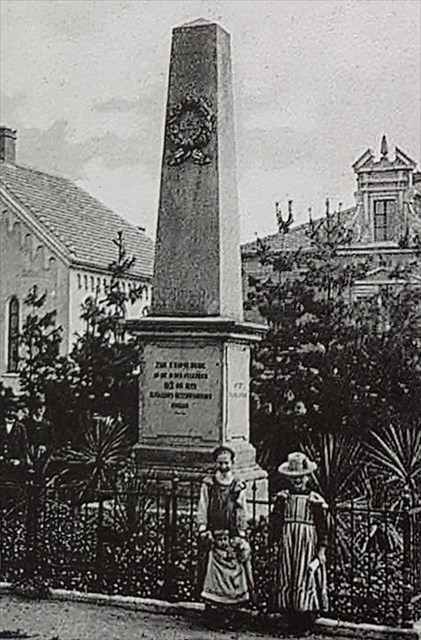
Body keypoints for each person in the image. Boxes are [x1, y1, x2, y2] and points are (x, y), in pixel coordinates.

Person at [271, 451, 329, 634]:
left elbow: (322, 526)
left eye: (302, 477)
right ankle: (289, 618)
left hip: (307, 542)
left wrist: (321, 549)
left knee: (305, 576)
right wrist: (274, 541)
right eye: (294, 477)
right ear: (288, 478)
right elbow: (276, 521)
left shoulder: (314, 500)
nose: (298, 480)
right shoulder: (283, 497)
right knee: (288, 574)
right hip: (288, 540)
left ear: (308, 477)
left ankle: (305, 621)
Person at [197, 446, 253, 623]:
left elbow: (242, 508)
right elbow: (203, 504)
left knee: (234, 571)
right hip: (214, 532)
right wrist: (203, 527)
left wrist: (241, 531)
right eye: (220, 463)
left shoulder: (237, 484)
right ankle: (213, 610)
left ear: (232, 463)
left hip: (232, 533)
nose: (223, 467)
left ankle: (232, 610)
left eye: (226, 463)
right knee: (212, 572)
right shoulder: (209, 483)